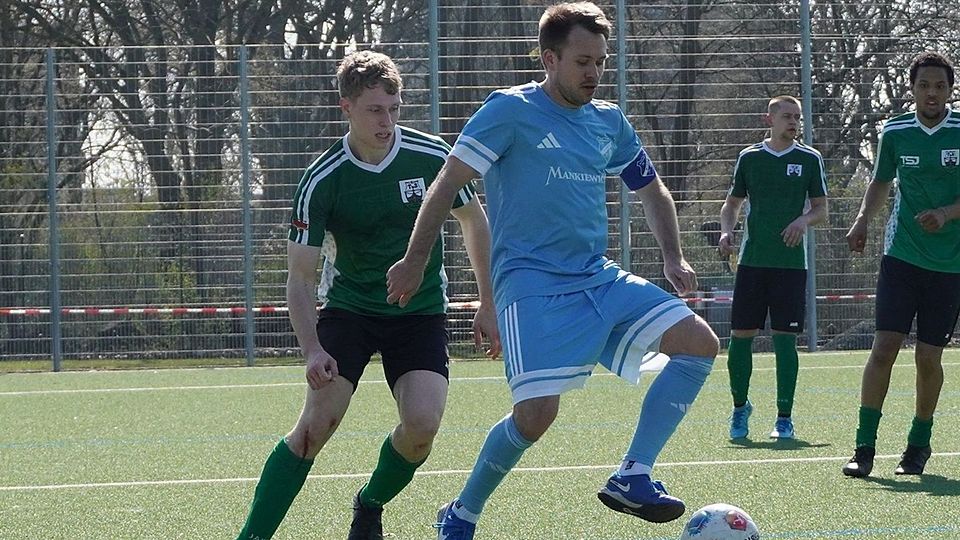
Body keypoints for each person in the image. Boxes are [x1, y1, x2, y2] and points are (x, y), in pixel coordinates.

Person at [386, 3, 719, 538]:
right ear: (550, 58)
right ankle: (462, 513)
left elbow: (652, 189)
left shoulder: (608, 121)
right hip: (532, 286)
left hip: (597, 278)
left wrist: (673, 255)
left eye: (601, 62)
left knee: (698, 343)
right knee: (536, 417)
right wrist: (415, 259)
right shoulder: (509, 111)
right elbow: (447, 184)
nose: (594, 72)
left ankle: (633, 474)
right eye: (583, 61)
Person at [235, 50, 500, 540]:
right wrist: (311, 347)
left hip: (418, 313)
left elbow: (473, 222)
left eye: (395, 107)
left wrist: (487, 302)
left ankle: (369, 502)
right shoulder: (322, 179)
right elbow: (298, 277)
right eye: (376, 110)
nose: (387, 120)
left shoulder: (432, 158)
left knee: (422, 427)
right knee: (316, 427)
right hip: (350, 311)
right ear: (347, 108)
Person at [841, 51, 960, 478]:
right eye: (925, 85)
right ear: (912, 89)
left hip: (949, 265)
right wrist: (861, 221)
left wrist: (947, 213)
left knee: (929, 357)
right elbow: (879, 182)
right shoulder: (896, 131)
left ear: (950, 90)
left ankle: (918, 444)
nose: (932, 92)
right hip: (901, 258)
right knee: (885, 347)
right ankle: (864, 447)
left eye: (940, 86)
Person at [718, 95, 828, 441]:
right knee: (740, 339)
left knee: (785, 341)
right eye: (787, 116)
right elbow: (731, 204)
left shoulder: (810, 160)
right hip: (753, 263)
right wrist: (726, 230)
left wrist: (802, 221)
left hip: (791, 267)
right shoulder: (750, 158)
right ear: (770, 119)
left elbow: (821, 209)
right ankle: (739, 409)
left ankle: (784, 418)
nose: (794, 122)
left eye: (798, 117)